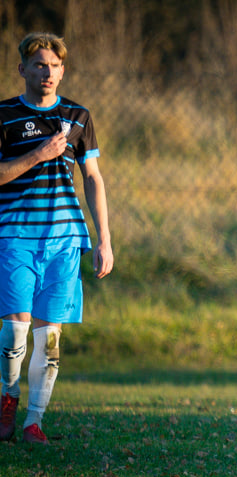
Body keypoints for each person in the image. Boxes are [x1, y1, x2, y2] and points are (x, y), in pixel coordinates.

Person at [0, 32, 113, 445]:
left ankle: (34, 422)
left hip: (65, 239)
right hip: (15, 235)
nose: (48, 73)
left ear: (63, 71)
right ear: (23, 70)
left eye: (55, 67)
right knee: (14, 334)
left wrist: (104, 240)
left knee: (50, 339)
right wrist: (38, 155)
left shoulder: (79, 116)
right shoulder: (5, 116)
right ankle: (8, 399)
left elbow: (93, 179)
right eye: (40, 65)